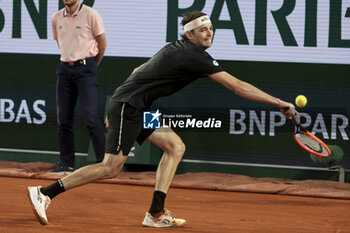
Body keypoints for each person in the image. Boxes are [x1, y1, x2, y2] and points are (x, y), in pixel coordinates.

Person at [27, 11, 298, 227]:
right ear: (190, 33)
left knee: (175, 146)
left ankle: (155, 213)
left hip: (135, 107)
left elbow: (137, 69)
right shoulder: (193, 54)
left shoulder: (177, 48)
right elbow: (237, 86)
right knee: (110, 167)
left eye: (211, 28)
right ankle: (45, 193)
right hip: (130, 107)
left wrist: (120, 104)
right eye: (203, 29)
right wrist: (279, 103)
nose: (209, 33)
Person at [49, 0, 107, 173]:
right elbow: (60, 42)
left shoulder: (91, 14)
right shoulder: (56, 17)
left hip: (86, 68)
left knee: (90, 118)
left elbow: (102, 43)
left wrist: (90, 65)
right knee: (63, 120)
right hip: (64, 69)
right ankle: (66, 163)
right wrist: (70, 59)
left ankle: (103, 164)